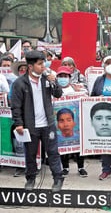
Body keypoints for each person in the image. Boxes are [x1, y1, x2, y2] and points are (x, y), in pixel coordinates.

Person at [11, 50, 64, 192]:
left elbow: (58, 94)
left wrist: (55, 81)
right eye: (40, 64)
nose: (43, 67)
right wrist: (19, 124)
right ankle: (30, 179)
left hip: (48, 124)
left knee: (53, 152)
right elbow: (15, 106)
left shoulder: (46, 79)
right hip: (30, 125)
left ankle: (58, 178)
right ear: (30, 66)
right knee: (31, 154)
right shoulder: (20, 83)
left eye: (44, 64)